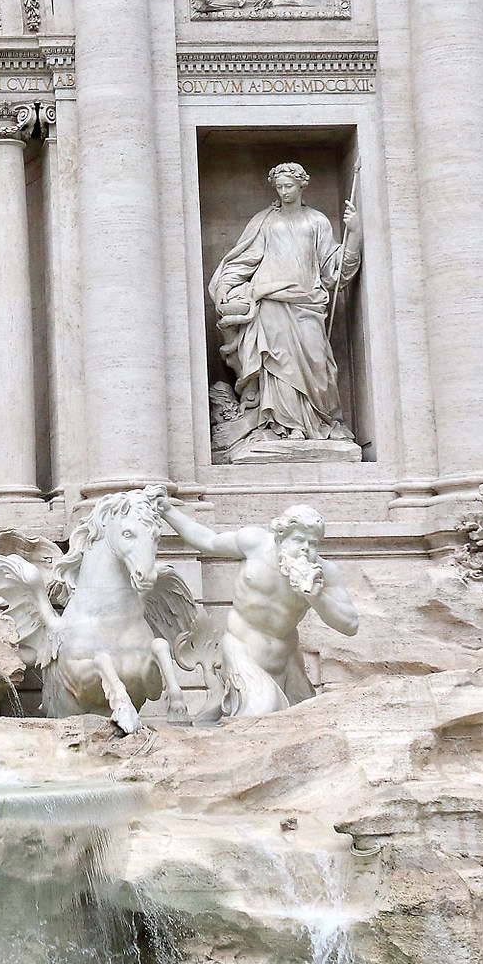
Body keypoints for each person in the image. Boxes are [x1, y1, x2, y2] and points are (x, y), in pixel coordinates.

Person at [208, 162, 360, 450]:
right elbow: (244, 259)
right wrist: (226, 286)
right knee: (277, 365)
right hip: (270, 301)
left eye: (289, 186)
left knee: (317, 362)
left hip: (307, 302)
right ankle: (283, 426)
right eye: (279, 187)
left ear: (302, 186)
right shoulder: (265, 221)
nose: (284, 192)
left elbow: (334, 270)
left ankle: (317, 423)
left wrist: (353, 234)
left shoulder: (317, 221)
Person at [160, 501, 360, 715]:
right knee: (259, 713)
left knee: (303, 718)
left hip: (286, 661)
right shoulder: (255, 544)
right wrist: (168, 511)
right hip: (242, 651)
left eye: (312, 543)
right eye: (298, 540)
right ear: (281, 537)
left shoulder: (324, 572)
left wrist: (318, 598)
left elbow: (350, 624)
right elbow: (207, 541)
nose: (305, 548)